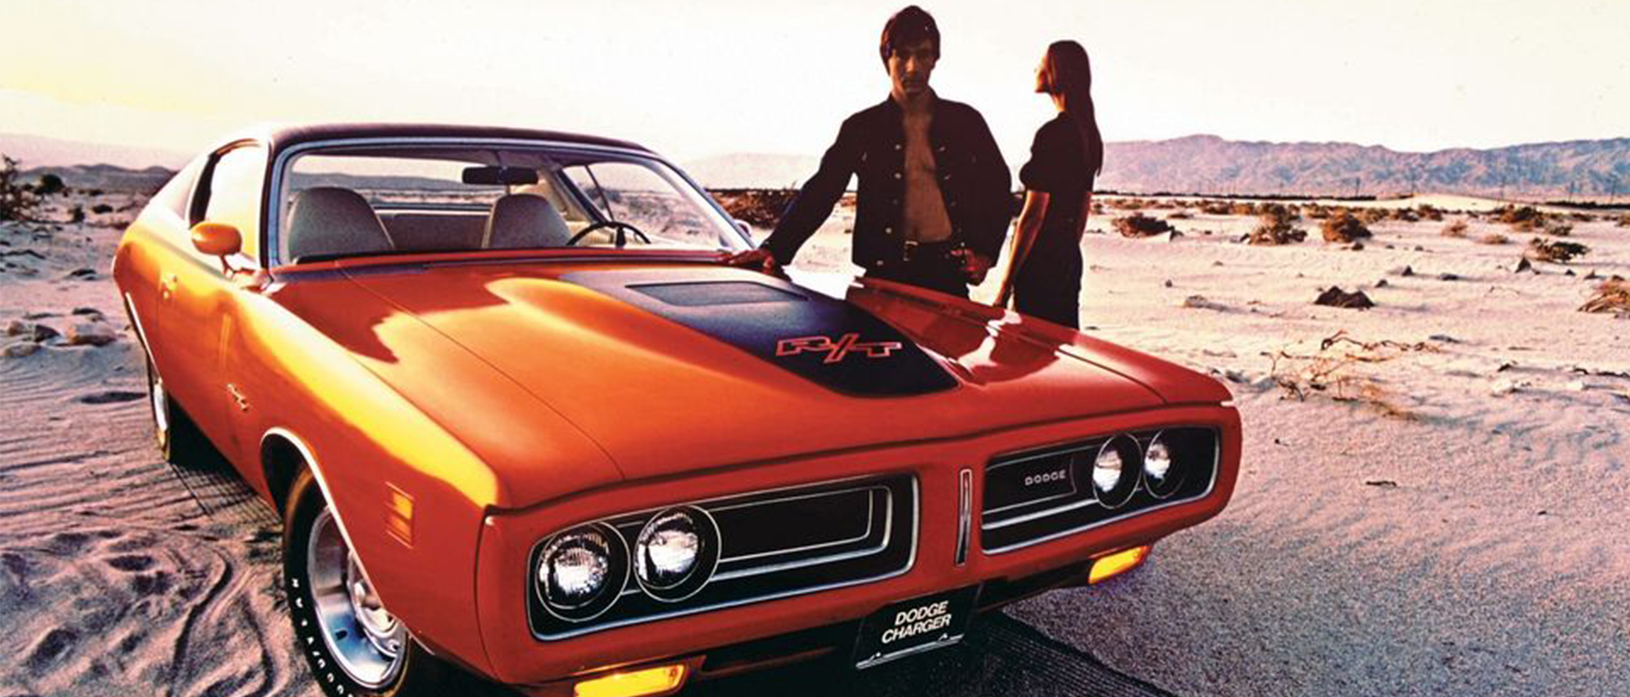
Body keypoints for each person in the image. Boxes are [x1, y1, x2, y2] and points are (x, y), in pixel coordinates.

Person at [726, 6, 1012, 298]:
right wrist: (773, 248)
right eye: (902, 54)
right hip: (882, 274)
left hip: (945, 273)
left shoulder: (965, 122)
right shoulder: (861, 128)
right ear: (887, 58)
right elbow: (823, 189)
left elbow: (998, 189)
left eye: (923, 54)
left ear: (935, 59)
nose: (912, 67)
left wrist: (985, 254)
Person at [993, 40, 1104, 329]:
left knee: (1030, 350)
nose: (1036, 68)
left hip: (1039, 262)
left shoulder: (1053, 133)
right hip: (1067, 259)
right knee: (1063, 348)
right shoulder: (1087, 134)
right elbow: (1081, 213)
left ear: (1057, 72)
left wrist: (1005, 286)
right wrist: (1065, 253)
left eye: (1042, 62)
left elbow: (1032, 218)